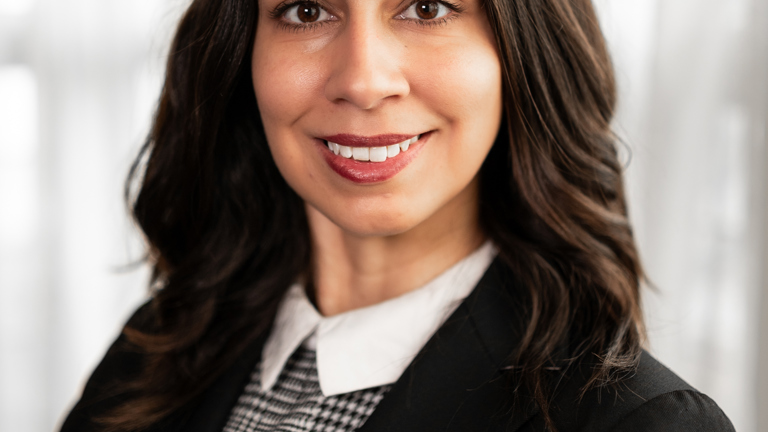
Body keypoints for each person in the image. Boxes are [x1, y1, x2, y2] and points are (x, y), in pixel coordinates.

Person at [60, 0, 735, 431]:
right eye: (304, 11)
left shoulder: (636, 423)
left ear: (521, 48)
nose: (363, 79)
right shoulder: (153, 355)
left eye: (427, 6)